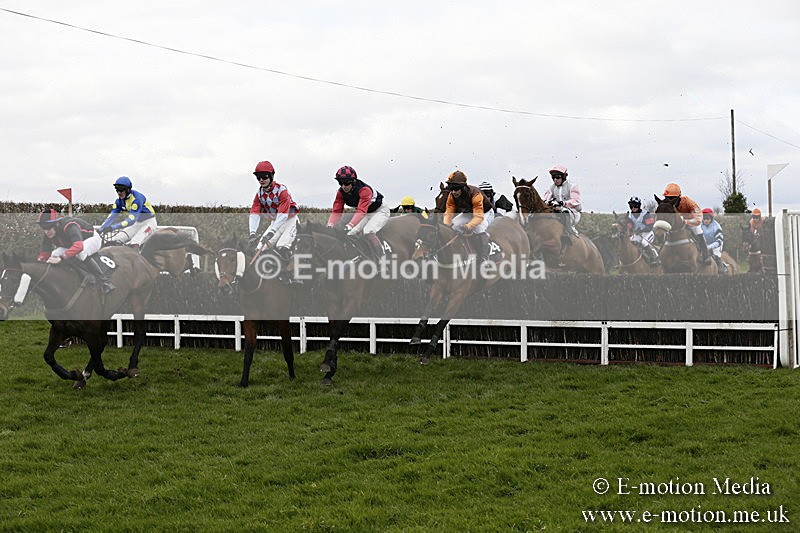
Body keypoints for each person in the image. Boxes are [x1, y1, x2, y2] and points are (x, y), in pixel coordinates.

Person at [36, 209, 116, 293]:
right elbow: (45, 253)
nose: (46, 231)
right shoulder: (48, 233)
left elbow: (78, 247)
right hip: (73, 244)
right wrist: (39, 264)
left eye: (48, 227)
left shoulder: (70, 225)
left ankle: (105, 282)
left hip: (92, 239)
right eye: (43, 228)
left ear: (56, 224)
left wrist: (61, 258)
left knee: (80, 253)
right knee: (54, 254)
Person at [247, 161, 300, 283]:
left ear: (271, 176)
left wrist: (271, 232)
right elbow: (254, 214)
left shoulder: (282, 190)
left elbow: (282, 215)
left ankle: (293, 275)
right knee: (260, 248)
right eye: (258, 177)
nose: (261, 180)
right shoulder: (259, 194)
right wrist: (252, 233)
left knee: (282, 247)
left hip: (290, 220)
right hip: (275, 223)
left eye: (264, 176)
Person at [326, 165, 391, 260]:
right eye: (340, 183)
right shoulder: (340, 193)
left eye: (346, 183)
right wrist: (329, 225)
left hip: (380, 210)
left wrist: (349, 225)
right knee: (350, 234)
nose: (343, 186)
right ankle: (359, 257)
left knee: (368, 231)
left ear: (353, 181)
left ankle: (382, 259)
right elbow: (336, 211)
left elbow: (361, 211)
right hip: (367, 212)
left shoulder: (364, 190)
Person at [442, 170, 494, 262]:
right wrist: (446, 224)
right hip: (469, 212)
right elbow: (449, 211)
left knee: (478, 228)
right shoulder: (451, 195)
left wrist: (467, 226)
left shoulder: (475, 194)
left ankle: (484, 257)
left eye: (456, 189)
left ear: (462, 188)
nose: (454, 192)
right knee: (454, 225)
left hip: (484, 212)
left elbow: (479, 217)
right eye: (452, 189)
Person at [97, 176, 157, 248]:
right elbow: (112, 217)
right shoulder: (118, 201)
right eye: (117, 190)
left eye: (121, 190)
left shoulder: (137, 199)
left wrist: (113, 227)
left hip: (149, 223)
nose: (119, 193)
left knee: (135, 242)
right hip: (137, 224)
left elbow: (131, 220)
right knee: (115, 240)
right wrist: (101, 229)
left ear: (128, 190)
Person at [661, 182, 711, 265]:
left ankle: (706, 255)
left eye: (672, 198)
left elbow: (698, 217)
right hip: (674, 225)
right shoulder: (665, 205)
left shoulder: (688, 202)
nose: (670, 201)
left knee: (698, 231)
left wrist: (686, 222)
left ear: (679, 197)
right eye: (668, 198)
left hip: (691, 222)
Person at [542, 164, 581, 238]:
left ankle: (568, 232)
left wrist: (564, 203)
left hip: (572, 212)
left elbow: (576, 200)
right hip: (557, 209)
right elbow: (546, 199)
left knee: (564, 211)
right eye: (553, 177)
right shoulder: (552, 187)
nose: (555, 180)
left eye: (557, 177)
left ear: (563, 177)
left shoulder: (572, 186)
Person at [626, 196, 660, 266]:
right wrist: (630, 229)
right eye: (631, 206)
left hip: (648, 233)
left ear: (638, 206)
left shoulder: (646, 214)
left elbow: (650, 226)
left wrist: (640, 230)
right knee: (630, 241)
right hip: (638, 234)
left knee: (644, 243)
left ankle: (654, 258)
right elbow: (630, 225)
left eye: (635, 205)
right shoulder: (629, 215)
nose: (633, 207)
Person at [701, 208, 727, 273]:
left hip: (717, 244)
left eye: (707, 219)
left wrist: (709, 247)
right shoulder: (700, 225)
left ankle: (722, 270)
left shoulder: (717, 227)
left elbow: (719, 242)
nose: (706, 221)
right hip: (705, 244)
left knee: (716, 255)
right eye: (704, 219)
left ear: (711, 219)